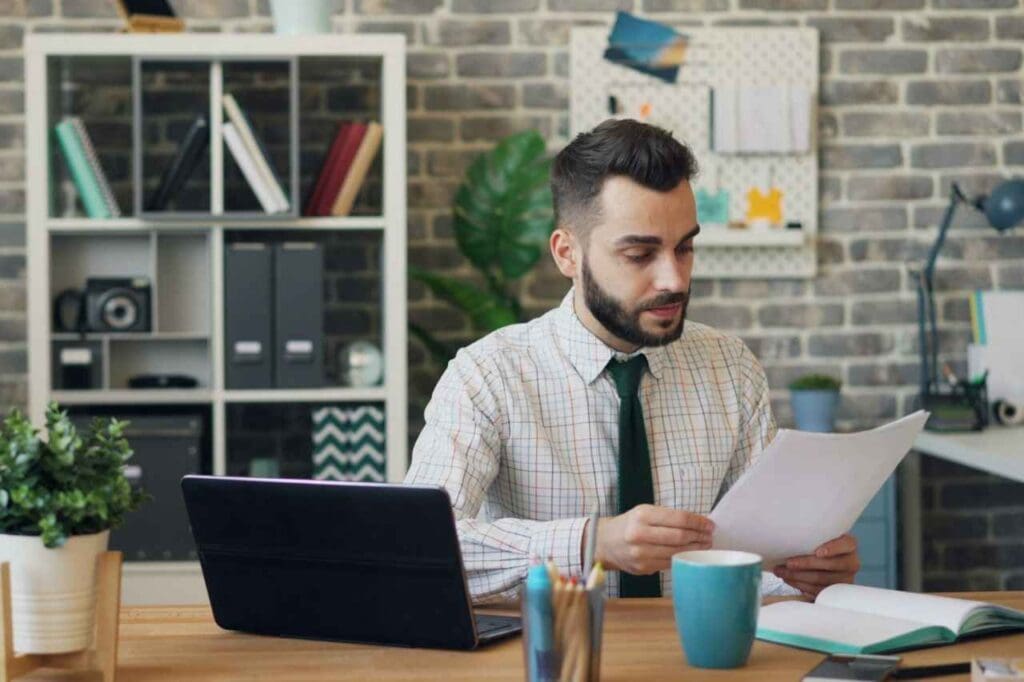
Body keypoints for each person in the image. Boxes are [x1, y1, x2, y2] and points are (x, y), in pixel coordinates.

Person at [405, 119, 860, 602]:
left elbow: (755, 555)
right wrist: (590, 542)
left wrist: (802, 573)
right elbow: (419, 543)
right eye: (640, 254)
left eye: (684, 247)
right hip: (551, 660)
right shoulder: (487, 375)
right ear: (567, 255)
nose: (674, 279)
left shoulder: (731, 368)